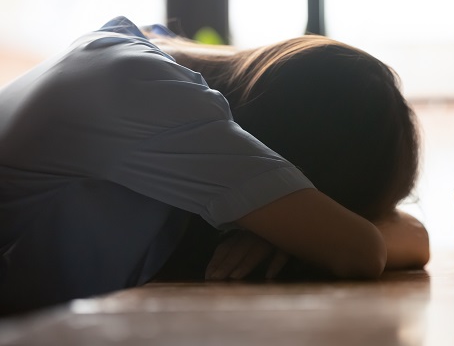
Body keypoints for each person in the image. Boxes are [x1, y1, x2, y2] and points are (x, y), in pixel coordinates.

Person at [0, 16, 429, 314]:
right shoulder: (151, 94)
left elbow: (415, 235)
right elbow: (360, 250)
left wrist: (294, 226)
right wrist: (308, 231)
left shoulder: (138, 64)